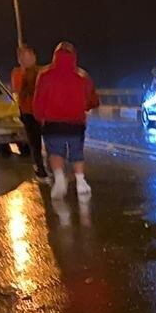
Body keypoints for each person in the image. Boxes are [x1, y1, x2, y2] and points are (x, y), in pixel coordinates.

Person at [31, 41, 99, 200]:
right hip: (76, 123)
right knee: (77, 153)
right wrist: (86, 106)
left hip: (52, 123)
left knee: (55, 152)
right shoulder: (82, 75)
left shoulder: (45, 74)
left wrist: (39, 117)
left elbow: (38, 100)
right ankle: (81, 182)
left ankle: (60, 179)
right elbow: (92, 99)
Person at [10, 44, 48, 180]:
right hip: (28, 113)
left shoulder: (42, 71)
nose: (29, 60)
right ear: (20, 59)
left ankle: (53, 167)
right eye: (24, 57)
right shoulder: (17, 73)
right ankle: (40, 168)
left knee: (50, 140)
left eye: (30, 56)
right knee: (35, 142)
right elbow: (18, 90)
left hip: (44, 112)